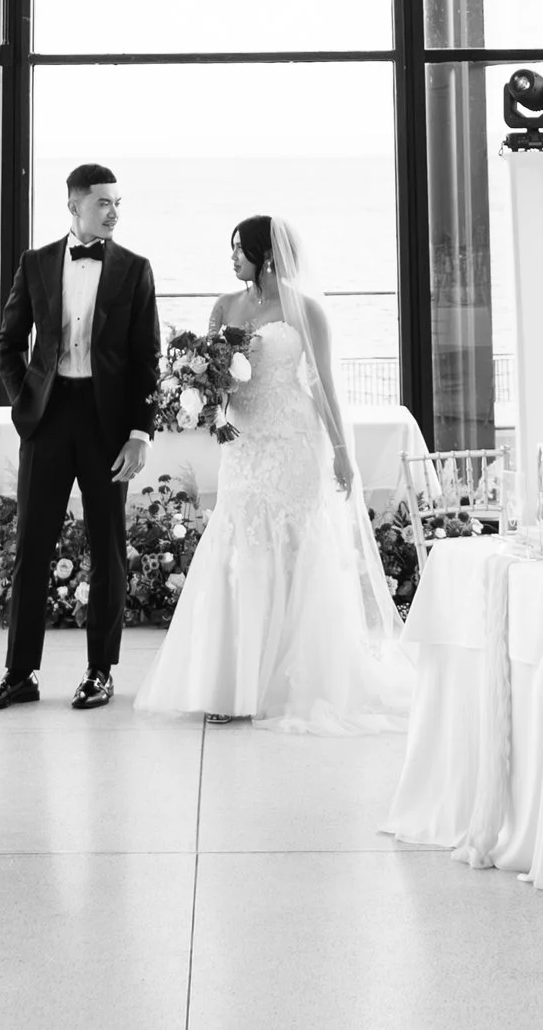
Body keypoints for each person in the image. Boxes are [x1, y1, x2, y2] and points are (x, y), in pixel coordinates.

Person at [139, 214, 414, 734]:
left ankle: (285, 682)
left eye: (240, 248)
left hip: (294, 443)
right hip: (244, 447)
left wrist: (340, 452)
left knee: (294, 549)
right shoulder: (225, 307)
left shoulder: (305, 309)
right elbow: (219, 380)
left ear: (266, 255)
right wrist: (196, 391)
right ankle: (231, 681)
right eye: (232, 249)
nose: (233, 257)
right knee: (240, 548)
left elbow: (324, 386)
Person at [0, 160, 161, 716]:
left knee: (107, 548)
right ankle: (19, 673)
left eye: (118, 203)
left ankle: (99, 671)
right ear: (75, 205)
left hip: (108, 427)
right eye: (104, 202)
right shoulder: (35, 264)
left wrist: (140, 433)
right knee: (32, 546)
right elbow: (8, 342)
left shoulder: (135, 269)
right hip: (50, 420)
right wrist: (27, 398)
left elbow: (148, 358)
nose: (114, 212)